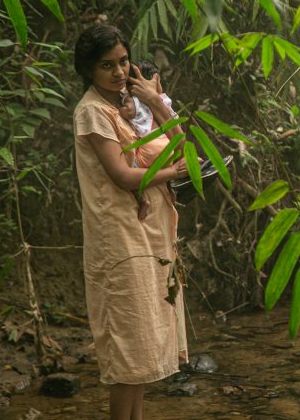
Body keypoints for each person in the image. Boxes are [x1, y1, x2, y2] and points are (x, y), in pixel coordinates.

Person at [73, 24, 188, 420]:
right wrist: (171, 173)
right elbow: (121, 176)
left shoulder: (132, 107)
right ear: (89, 70)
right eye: (107, 65)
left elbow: (182, 145)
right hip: (119, 243)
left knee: (139, 352)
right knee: (127, 354)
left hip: (147, 237)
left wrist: (155, 101)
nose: (119, 72)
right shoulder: (92, 112)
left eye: (123, 61)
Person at [117, 59, 180, 219]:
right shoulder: (163, 100)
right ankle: (171, 189)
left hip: (151, 147)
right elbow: (175, 123)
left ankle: (142, 198)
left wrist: (120, 109)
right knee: (166, 170)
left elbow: (127, 112)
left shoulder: (132, 101)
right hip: (168, 145)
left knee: (133, 169)